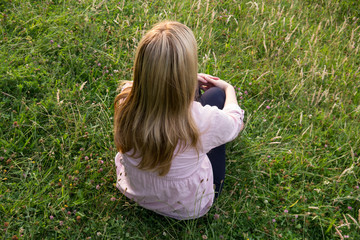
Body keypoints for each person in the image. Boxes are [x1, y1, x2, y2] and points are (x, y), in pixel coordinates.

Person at [113, 21, 244, 220]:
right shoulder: (201, 120)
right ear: (186, 73)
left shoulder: (125, 101)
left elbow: (145, 87)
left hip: (138, 191)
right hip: (188, 205)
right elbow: (236, 123)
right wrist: (229, 90)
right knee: (216, 97)